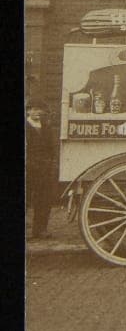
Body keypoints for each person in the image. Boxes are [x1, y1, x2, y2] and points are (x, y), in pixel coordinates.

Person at [25, 100, 58, 239]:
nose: (38, 112)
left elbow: (51, 148)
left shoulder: (46, 127)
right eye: (35, 109)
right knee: (26, 199)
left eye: (40, 109)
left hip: (44, 168)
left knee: (44, 199)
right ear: (28, 111)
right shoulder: (25, 127)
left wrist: (50, 163)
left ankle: (40, 229)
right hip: (28, 168)